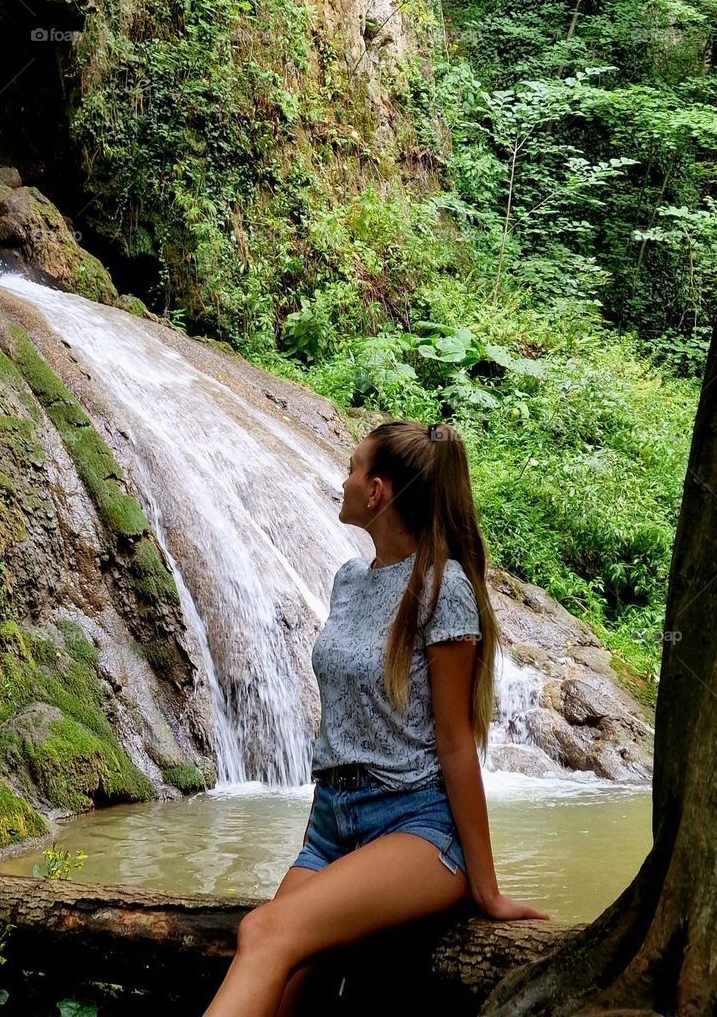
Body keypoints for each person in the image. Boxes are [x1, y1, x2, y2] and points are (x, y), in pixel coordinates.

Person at [202, 419, 548, 1017]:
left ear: (378, 491)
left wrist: (486, 889)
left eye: (353, 468)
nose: (343, 479)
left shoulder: (444, 587)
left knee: (265, 932)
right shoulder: (347, 582)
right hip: (331, 824)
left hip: (416, 825)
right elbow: (340, 728)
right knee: (283, 984)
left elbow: (455, 741)